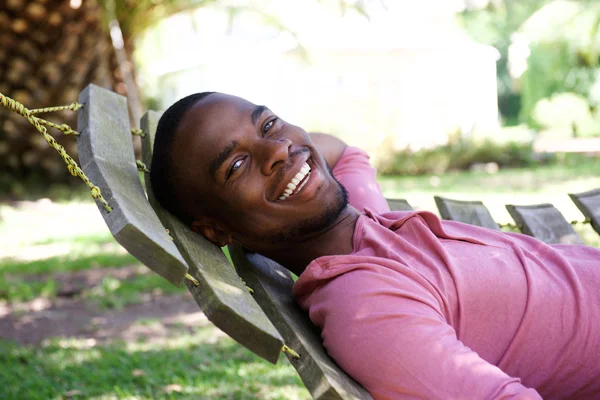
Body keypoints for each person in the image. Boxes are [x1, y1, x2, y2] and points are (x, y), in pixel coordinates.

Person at [150, 92, 600, 400]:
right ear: (215, 230)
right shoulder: (368, 305)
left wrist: (291, 152)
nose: (278, 151)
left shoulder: (363, 223)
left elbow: (346, 154)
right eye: (237, 165)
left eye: (269, 124)